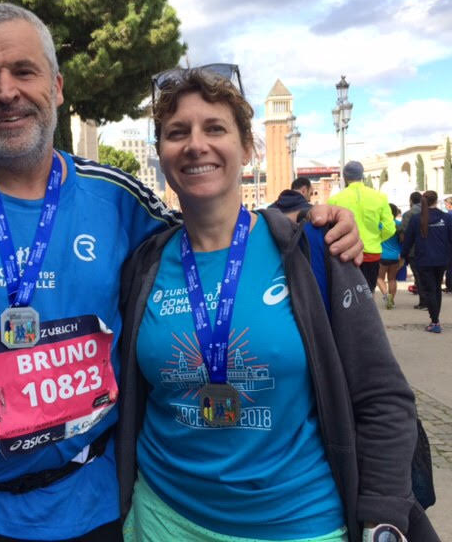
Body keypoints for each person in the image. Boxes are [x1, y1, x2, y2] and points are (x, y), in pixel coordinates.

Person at [0, 3, 363, 542]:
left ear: (57, 86)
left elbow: (214, 227)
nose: (5, 91)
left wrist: (302, 224)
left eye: (24, 71)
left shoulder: (120, 199)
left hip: (88, 506)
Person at [118, 69, 432, 542]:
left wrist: (381, 518)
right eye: (176, 133)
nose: (195, 145)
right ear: (161, 154)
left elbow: (383, 398)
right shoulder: (144, 263)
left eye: (215, 128)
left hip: (298, 523)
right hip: (162, 519)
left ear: (248, 148)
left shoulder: (311, 251)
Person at [328, 160, 395, 293]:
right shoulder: (380, 197)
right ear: (362, 175)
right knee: (368, 291)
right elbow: (390, 228)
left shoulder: (335, 199)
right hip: (372, 252)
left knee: (348, 292)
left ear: (345, 177)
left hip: (346, 252)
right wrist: (377, 239)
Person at [400, 191, 452, 334]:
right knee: (437, 288)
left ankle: (435, 321)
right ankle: (435, 319)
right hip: (442, 259)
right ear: (436, 201)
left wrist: (403, 256)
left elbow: (408, 241)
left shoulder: (415, 219)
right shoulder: (446, 218)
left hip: (424, 259)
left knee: (430, 289)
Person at [401, 192, 423, 307]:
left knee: (418, 275)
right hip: (430, 249)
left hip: (414, 250)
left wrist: (404, 252)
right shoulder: (430, 212)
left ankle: (423, 301)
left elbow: (405, 233)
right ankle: (431, 299)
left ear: (411, 201)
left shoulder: (408, 214)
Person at [378, 203, 402, 309]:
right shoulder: (398, 224)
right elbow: (402, 240)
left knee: (379, 278)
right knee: (392, 279)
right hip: (395, 256)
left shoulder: (380, 224)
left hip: (382, 255)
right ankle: (392, 300)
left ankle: (386, 295)